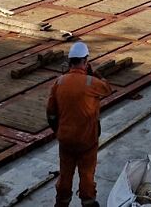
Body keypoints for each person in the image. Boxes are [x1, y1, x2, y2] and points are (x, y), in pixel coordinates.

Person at [46, 41, 112, 207]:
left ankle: (61, 202)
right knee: (87, 174)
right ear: (85, 61)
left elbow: (51, 113)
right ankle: (88, 201)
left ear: (70, 61)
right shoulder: (92, 83)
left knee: (65, 174)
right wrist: (95, 74)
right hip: (87, 140)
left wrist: (58, 131)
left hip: (66, 139)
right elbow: (107, 88)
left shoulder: (59, 82)